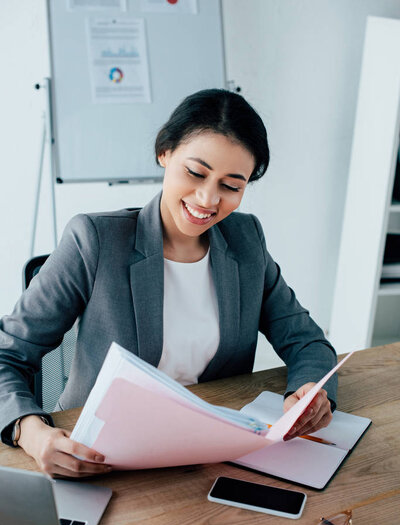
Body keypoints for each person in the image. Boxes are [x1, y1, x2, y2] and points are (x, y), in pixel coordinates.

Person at [0, 89, 337, 478]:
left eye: (231, 185)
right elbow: (7, 354)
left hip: (207, 460)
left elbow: (306, 339)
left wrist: (310, 393)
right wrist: (31, 432)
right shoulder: (94, 240)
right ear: (165, 152)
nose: (208, 198)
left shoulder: (246, 240)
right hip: (96, 457)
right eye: (196, 173)